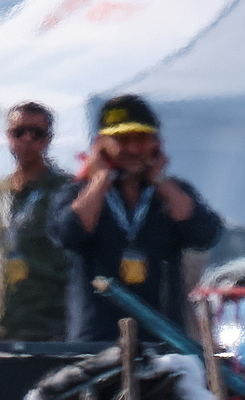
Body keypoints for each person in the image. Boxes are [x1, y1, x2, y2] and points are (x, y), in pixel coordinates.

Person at [47, 94, 223, 343]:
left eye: (140, 139)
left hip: (162, 339)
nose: (131, 148)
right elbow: (67, 234)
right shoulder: (77, 193)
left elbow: (205, 234)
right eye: (121, 140)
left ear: (156, 143)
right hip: (97, 339)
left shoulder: (172, 192)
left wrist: (160, 180)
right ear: (100, 144)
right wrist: (99, 180)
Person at [0, 103, 72, 343]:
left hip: (55, 326)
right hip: (7, 325)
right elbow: (4, 258)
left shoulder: (65, 190)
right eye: (19, 132)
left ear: (48, 139)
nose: (27, 139)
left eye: (37, 133)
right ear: (8, 136)